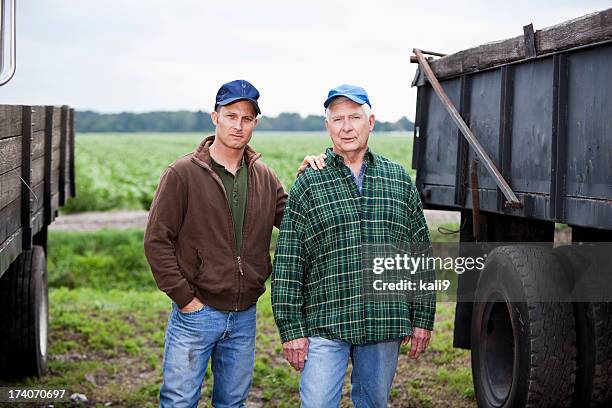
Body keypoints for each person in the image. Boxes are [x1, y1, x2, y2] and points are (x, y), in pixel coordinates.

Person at [144, 79, 323, 408]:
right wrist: (185, 299)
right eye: (231, 116)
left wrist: (310, 179)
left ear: (255, 123)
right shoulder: (182, 173)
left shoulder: (264, 176)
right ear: (215, 117)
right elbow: (157, 241)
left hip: (244, 315)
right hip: (197, 313)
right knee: (179, 401)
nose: (238, 125)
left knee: (232, 403)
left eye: (246, 118)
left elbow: (297, 221)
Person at [271, 84, 436, 407]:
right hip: (325, 321)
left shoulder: (397, 178)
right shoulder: (310, 181)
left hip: (383, 319)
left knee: (374, 403)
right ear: (327, 126)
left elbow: (420, 253)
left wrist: (422, 317)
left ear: (370, 122)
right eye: (338, 119)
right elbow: (290, 261)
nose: (347, 127)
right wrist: (291, 329)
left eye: (355, 117)